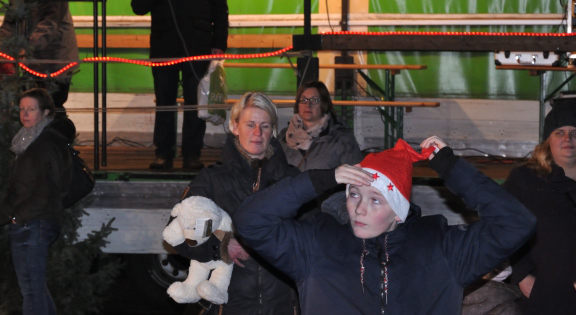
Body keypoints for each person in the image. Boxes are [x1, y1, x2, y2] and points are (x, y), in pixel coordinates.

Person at [234, 137, 536, 315]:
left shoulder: (442, 249)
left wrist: (451, 167)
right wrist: (319, 179)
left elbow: (516, 223)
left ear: (399, 212)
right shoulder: (317, 245)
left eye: (376, 200)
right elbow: (250, 220)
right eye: (354, 194)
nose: (359, 209)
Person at [167, 92, 299, 314]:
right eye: (250, 124)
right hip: (228, 306)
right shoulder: (211, 179)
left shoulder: (292, 179)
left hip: (282, 306)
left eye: (265, 126)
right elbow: (179, 233)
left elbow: (315, 238)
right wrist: (222, 244)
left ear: (273, 131)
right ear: (235, 127)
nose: (257, 133)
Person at [131, 0, 229, 170]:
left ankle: (192, 154)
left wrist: (219, 43)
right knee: (165, 101)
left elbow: (220, 8)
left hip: (198, 45)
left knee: (194, 102)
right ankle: (163, 153)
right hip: (163, 46)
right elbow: (137, 6)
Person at [0, 88, 73, 315]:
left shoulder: (44, 144)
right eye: (22, 109)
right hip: (33, 221)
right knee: (35, 290)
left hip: (33, 222)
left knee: (31, 291)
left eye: (31, 109)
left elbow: (47, 188)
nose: (24, 114)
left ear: (45, 112)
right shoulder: (29, 140)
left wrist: (18, 216)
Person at [0, 0, 78, 140]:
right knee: (33, 105)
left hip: (55, 59)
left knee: (53, 105)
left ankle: (59, 143)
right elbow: (10, 24)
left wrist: (27, 48)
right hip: (31, 61)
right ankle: (35, 143)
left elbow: (50, 24)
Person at [503, 100, 576, 314]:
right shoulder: (525, 179)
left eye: (575, 132)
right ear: (547, 140)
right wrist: (522, 274)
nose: (568, 139)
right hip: (544, 293)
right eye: (559, 132)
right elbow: (502, 226)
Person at [279, 80, 362, 171]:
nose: (308, 105)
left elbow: (356, 173)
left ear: (324, 104)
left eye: (314, 100)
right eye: (303, 100)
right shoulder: (284, 137)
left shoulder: (341, 139)